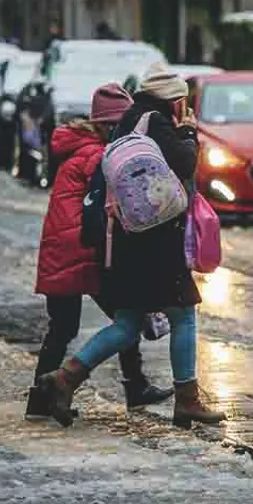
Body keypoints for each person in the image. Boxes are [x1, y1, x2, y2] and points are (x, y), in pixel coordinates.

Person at [37, 63, 226, 429]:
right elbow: (185, 164)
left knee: (126, 324)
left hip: (124, 241)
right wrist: (188, 133)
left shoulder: (128, 121)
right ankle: (187, 400)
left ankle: (64, 378)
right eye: (182, 102)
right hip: (154, 244)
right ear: (174, 99)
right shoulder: (156, 121)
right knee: (184, 313)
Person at [25, 82, 172, 421]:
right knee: (126, 317)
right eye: (121, 125)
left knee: (62, 328)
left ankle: (39, 399)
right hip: (82, 250)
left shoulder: (81, 148)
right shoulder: (97, 155)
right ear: (108, 125)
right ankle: (133, 386)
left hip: (62, 249)